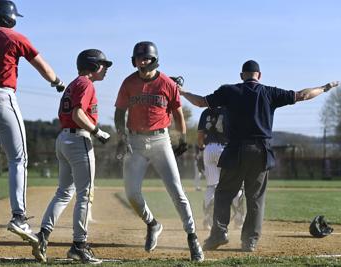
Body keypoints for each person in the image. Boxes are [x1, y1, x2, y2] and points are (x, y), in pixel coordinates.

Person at [178, 60, 339, 252]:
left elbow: (201, 102)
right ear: (259, 75)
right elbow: (303, 95)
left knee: (223, 193)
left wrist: (182, 91)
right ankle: (250, 241)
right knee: (255, 198)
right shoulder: (269, 92)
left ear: (241, 76)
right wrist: (325, 87)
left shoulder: (229, 91)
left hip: (235, 150)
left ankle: (219, 234)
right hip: (260, 151)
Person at [0, 0, 65, 242]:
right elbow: (42, 66)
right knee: (19, 157)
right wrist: (57, 82)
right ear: (9, 17)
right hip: (2, 97)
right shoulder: (14, 37)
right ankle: (18, 217)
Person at [114, 41, 204, 262]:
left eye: (145, 58)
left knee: (176, 191)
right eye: (138, 59)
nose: (141, 62)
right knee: (132, 193)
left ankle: (192, 237)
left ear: (154, 59)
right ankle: (152, 224)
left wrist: (182, 139)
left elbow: (179, 114)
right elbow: (119, 112)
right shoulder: (128, 82)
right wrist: (121, 136)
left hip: (160, 140)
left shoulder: (167, 83)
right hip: (135, 141)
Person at [30, 49, 112, 263]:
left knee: (64, 193)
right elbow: (78, 114)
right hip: (78, 140)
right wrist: (97, 131)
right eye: (103, 65)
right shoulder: (86, 84)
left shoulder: (73, 84)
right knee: (86, 194)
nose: (106, 69)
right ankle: (79, 245)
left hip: (63, 140)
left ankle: (43, 236)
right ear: (94, 65)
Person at [197, 107, 245, 230]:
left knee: (211, 186)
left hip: (208, 149)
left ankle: (208, 220)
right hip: (224, 148)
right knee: (235, 185)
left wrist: (202, 150)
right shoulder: (229, 111)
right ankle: (239, 219)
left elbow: (200, 136)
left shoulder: (206, 112)